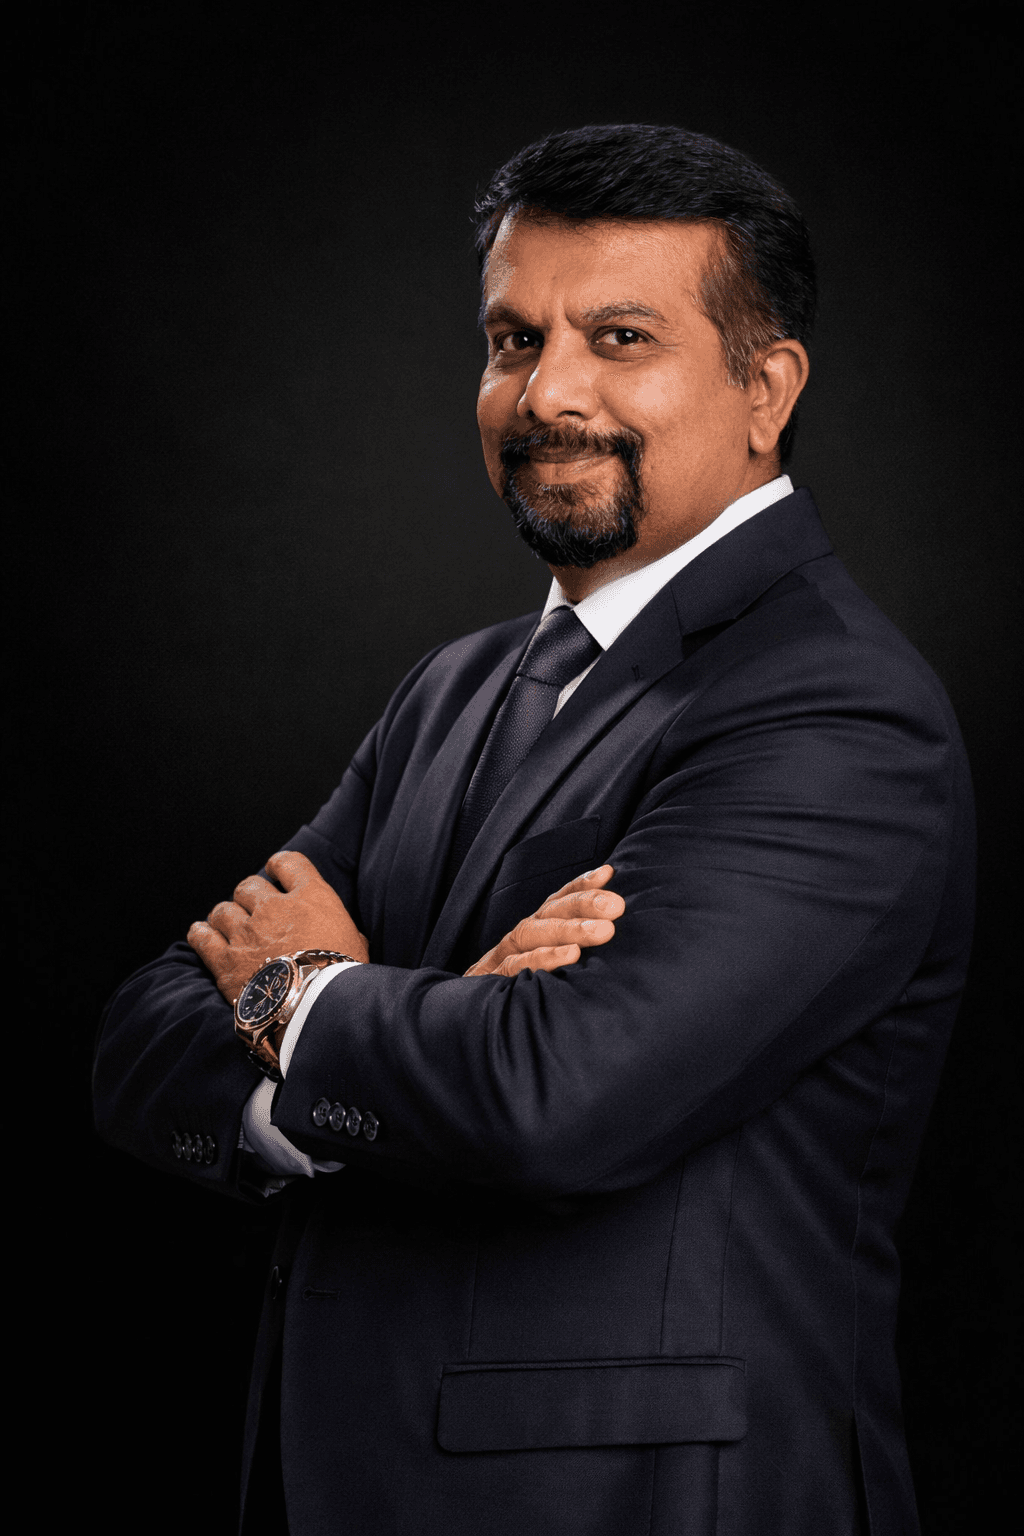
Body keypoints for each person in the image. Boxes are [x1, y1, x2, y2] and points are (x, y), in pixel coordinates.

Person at [92, 124, 974, 1536]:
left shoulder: (836, 713)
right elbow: (139, 1037)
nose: (546, 391)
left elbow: (556, 1102)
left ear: (767, 389)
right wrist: (403, 1029)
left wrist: (298, 995)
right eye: (512, 340)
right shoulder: (454, 688)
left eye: (620, 336)